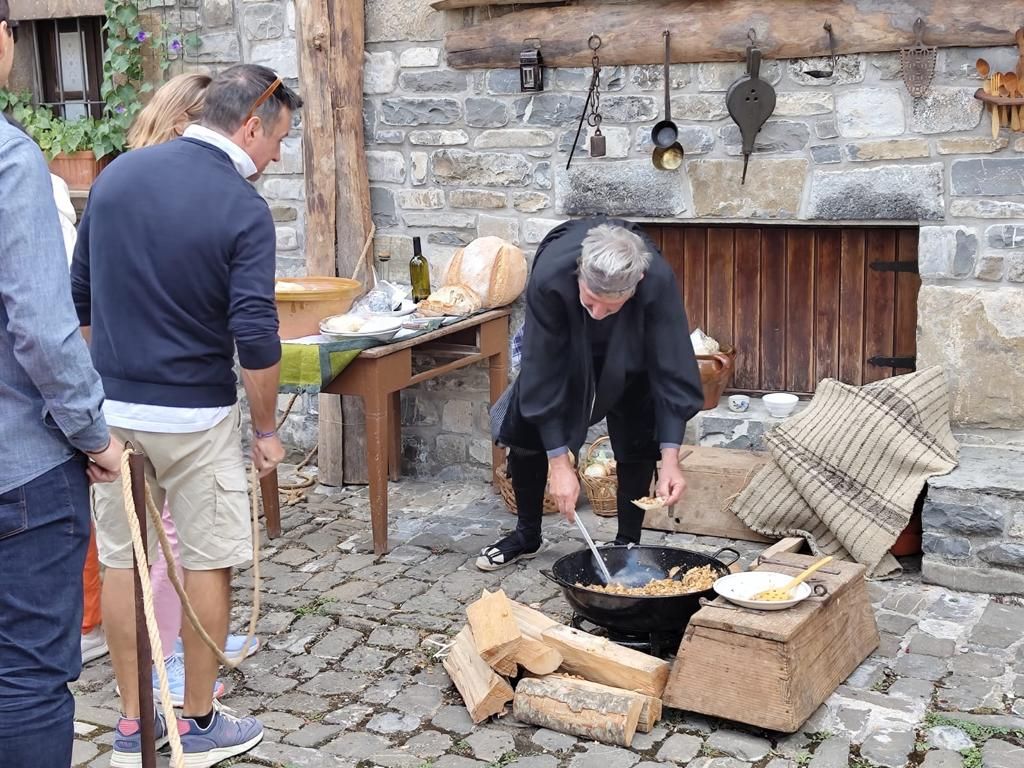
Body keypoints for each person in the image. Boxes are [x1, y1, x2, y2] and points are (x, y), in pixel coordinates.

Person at [71, 63, 300, 766]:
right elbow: (257, 338)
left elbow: (79, 302)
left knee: (119, 564)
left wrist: (94, 403)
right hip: (195, 417)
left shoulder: (116, 177)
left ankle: (134, 723)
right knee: (209, 559)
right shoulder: (240, 206)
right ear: (251, 125)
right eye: (279, 140)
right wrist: (266, 432)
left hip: (114, 412)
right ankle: (197, 724)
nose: (277, 157)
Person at [0, 3, 125, 765]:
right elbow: (43, 329)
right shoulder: (9, 161)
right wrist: (96, 435)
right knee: (25, 676)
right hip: (17, 470)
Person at [478, 218, 705, 571]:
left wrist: (671, 459)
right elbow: (542, 372)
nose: (598, 314)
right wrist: (559, 463)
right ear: (579, 273)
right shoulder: (552, 277)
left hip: (632, 338)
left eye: (609, 306)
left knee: (638, 422)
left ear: (638, 282)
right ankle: (527, 535)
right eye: (592, 300)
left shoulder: (656, 280)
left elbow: (671, 367)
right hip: (565, 333)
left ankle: (626, 543)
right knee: (528, 424)